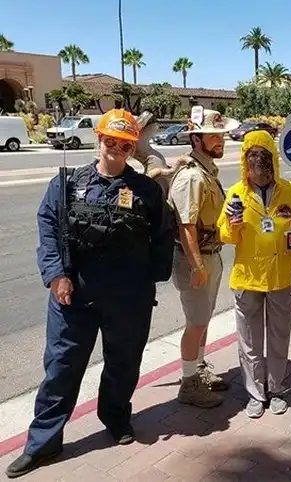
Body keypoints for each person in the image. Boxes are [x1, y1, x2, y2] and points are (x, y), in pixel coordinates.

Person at [6, 109, 174, 479]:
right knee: (61, 369)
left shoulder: (145, 190)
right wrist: (56, 275)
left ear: (132, 148)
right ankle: (43, 444)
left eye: (125, 144)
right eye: (110, 140)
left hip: (128, 300)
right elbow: (48, 228)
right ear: (98, 139)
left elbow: (164, 235)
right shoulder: (67, 183)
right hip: (73, 297)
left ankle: (115, 418)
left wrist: (150, 279)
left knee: (123, 365)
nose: (116, 149)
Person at [218, 130, 291, 418]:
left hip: (281, 276)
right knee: (250, 341)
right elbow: (225, 236)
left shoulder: (290, 191)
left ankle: (276, 388)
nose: (260, 176)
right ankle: (256, 394)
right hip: (247, 278)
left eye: (265, 172)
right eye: (254, 170)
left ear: (274, 165)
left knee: (279, 336)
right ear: (246, 165)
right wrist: (232, 225)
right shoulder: (236, 193)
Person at [169, 108, 239, 408]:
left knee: (204, 319)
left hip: (210, 254)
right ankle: (188, 385)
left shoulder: (206, 170)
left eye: (221, 135)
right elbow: (185, 226)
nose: (220, 140)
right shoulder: (191, 176)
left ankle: (197, 370)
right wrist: (197, 266)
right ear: (196, 139)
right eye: (213, 136)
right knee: (196, 322)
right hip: (195, 260)